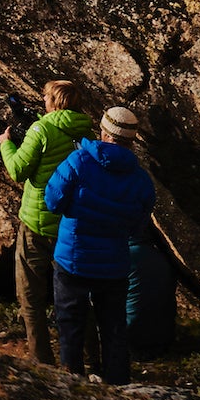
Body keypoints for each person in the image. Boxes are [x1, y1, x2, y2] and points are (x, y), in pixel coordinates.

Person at [43, 104, 158, 384]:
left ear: (103, 132)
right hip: (114, 264)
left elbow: (53, 201)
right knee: (114, 329)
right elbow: (139, 225)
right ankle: (119, 386)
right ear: (131, 141)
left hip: (73, 258)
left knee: (71, 327)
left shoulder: (78, 161)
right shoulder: (141, 179)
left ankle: (72, 384)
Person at [0, 80, 95, 364]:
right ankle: (91, 359)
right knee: (76, 296)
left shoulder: (41, 129)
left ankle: (41, 359)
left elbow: (17, 170)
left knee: (30, 294)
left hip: (36, 222)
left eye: (45, 96)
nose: (42, 99)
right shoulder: (85, 131)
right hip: (70, 224)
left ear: (54, 101)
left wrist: (7, 145)